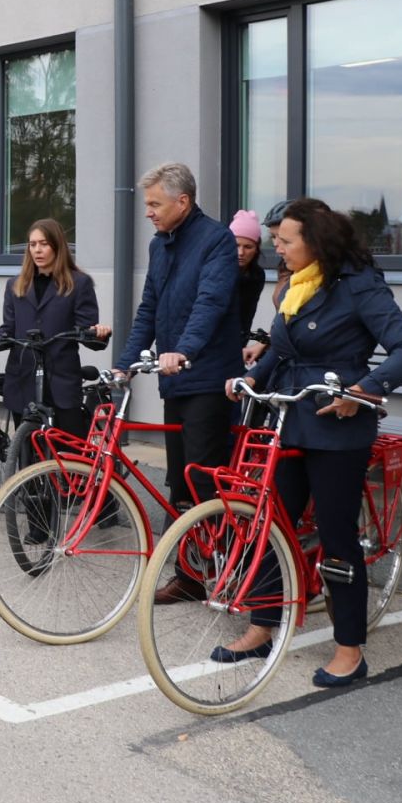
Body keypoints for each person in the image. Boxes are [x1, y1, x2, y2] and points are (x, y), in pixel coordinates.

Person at [222, 197, 402, 687]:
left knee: (336, 539)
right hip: (290, 421)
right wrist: (248, 377)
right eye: (275, 242)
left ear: (315, 242)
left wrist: (368, 389)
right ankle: (262, 625)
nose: (277, 250)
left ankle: (349, 649)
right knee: (271, 524)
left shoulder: (359, 286)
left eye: (285, 242)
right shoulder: (295, 287)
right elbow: (282, 349)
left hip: (337, 427)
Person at [114, 163, 241, 602]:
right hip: (176, 381)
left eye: (154, 204)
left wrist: (184, 350)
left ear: (182, 202)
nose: (147, 212)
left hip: (207, 379)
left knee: (206, 481)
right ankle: (189, 577)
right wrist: (125, 362)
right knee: (180, 483)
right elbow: (149, 307)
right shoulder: (159, 245)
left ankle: (227, 569)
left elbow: (210, 303)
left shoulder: (217, 240)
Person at [0, 218, 110, 437]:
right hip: (23, 379)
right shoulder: (15, 285)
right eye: (32, 244)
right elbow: (8, 329)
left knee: (68, 454)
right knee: (26, 454)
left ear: (57, 246)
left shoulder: (79, 283)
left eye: (44, 244)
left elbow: (88, 332)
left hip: (61, 382)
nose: (37, 250)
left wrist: (100, 333)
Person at [229, 209, 269, 369]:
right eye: (236, 245)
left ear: (257, 248)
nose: (241, 252)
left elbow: (247, 316)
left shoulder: (257, 275)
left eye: (248, 247)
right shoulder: (216, 270)